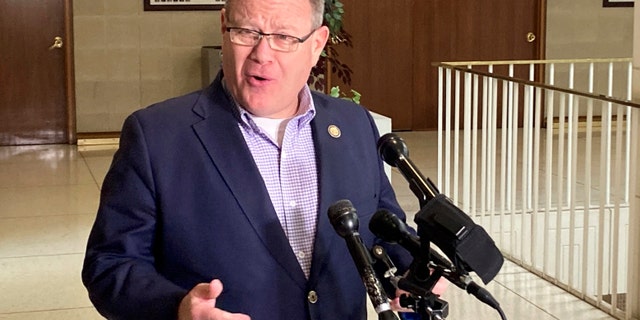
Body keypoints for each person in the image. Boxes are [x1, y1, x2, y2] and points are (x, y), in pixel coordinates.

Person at [81, 0, 419, 319]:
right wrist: (178, 308)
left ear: (317, 44)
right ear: (224, 26)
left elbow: (382, 233)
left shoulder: (354, 125)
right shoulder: (156, 136)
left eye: (284, 37)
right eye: (247, 32)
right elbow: (110, 263)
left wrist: (413, 271)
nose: (262, 54)